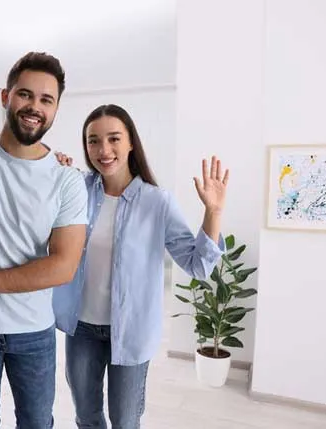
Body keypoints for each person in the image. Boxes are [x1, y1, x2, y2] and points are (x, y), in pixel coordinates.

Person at [52, 104, 228, 429]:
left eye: (114, 138)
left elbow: (198, 266)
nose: (104, 150)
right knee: (86, 417)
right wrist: (57, 168)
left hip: (130, 333)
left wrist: (213, 212)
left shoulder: (157, 202)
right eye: (94, 141)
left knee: (125, 421)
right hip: (82, 329)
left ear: (131, 142)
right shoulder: (77, 189)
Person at [0, 52, 88, 429]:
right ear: (5, 96)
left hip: (33, 331)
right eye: (25, 95)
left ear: (57, 108)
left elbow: (63, 265)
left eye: (46, 100)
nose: (34, 107)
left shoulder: (67, 180)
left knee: (36, 424)